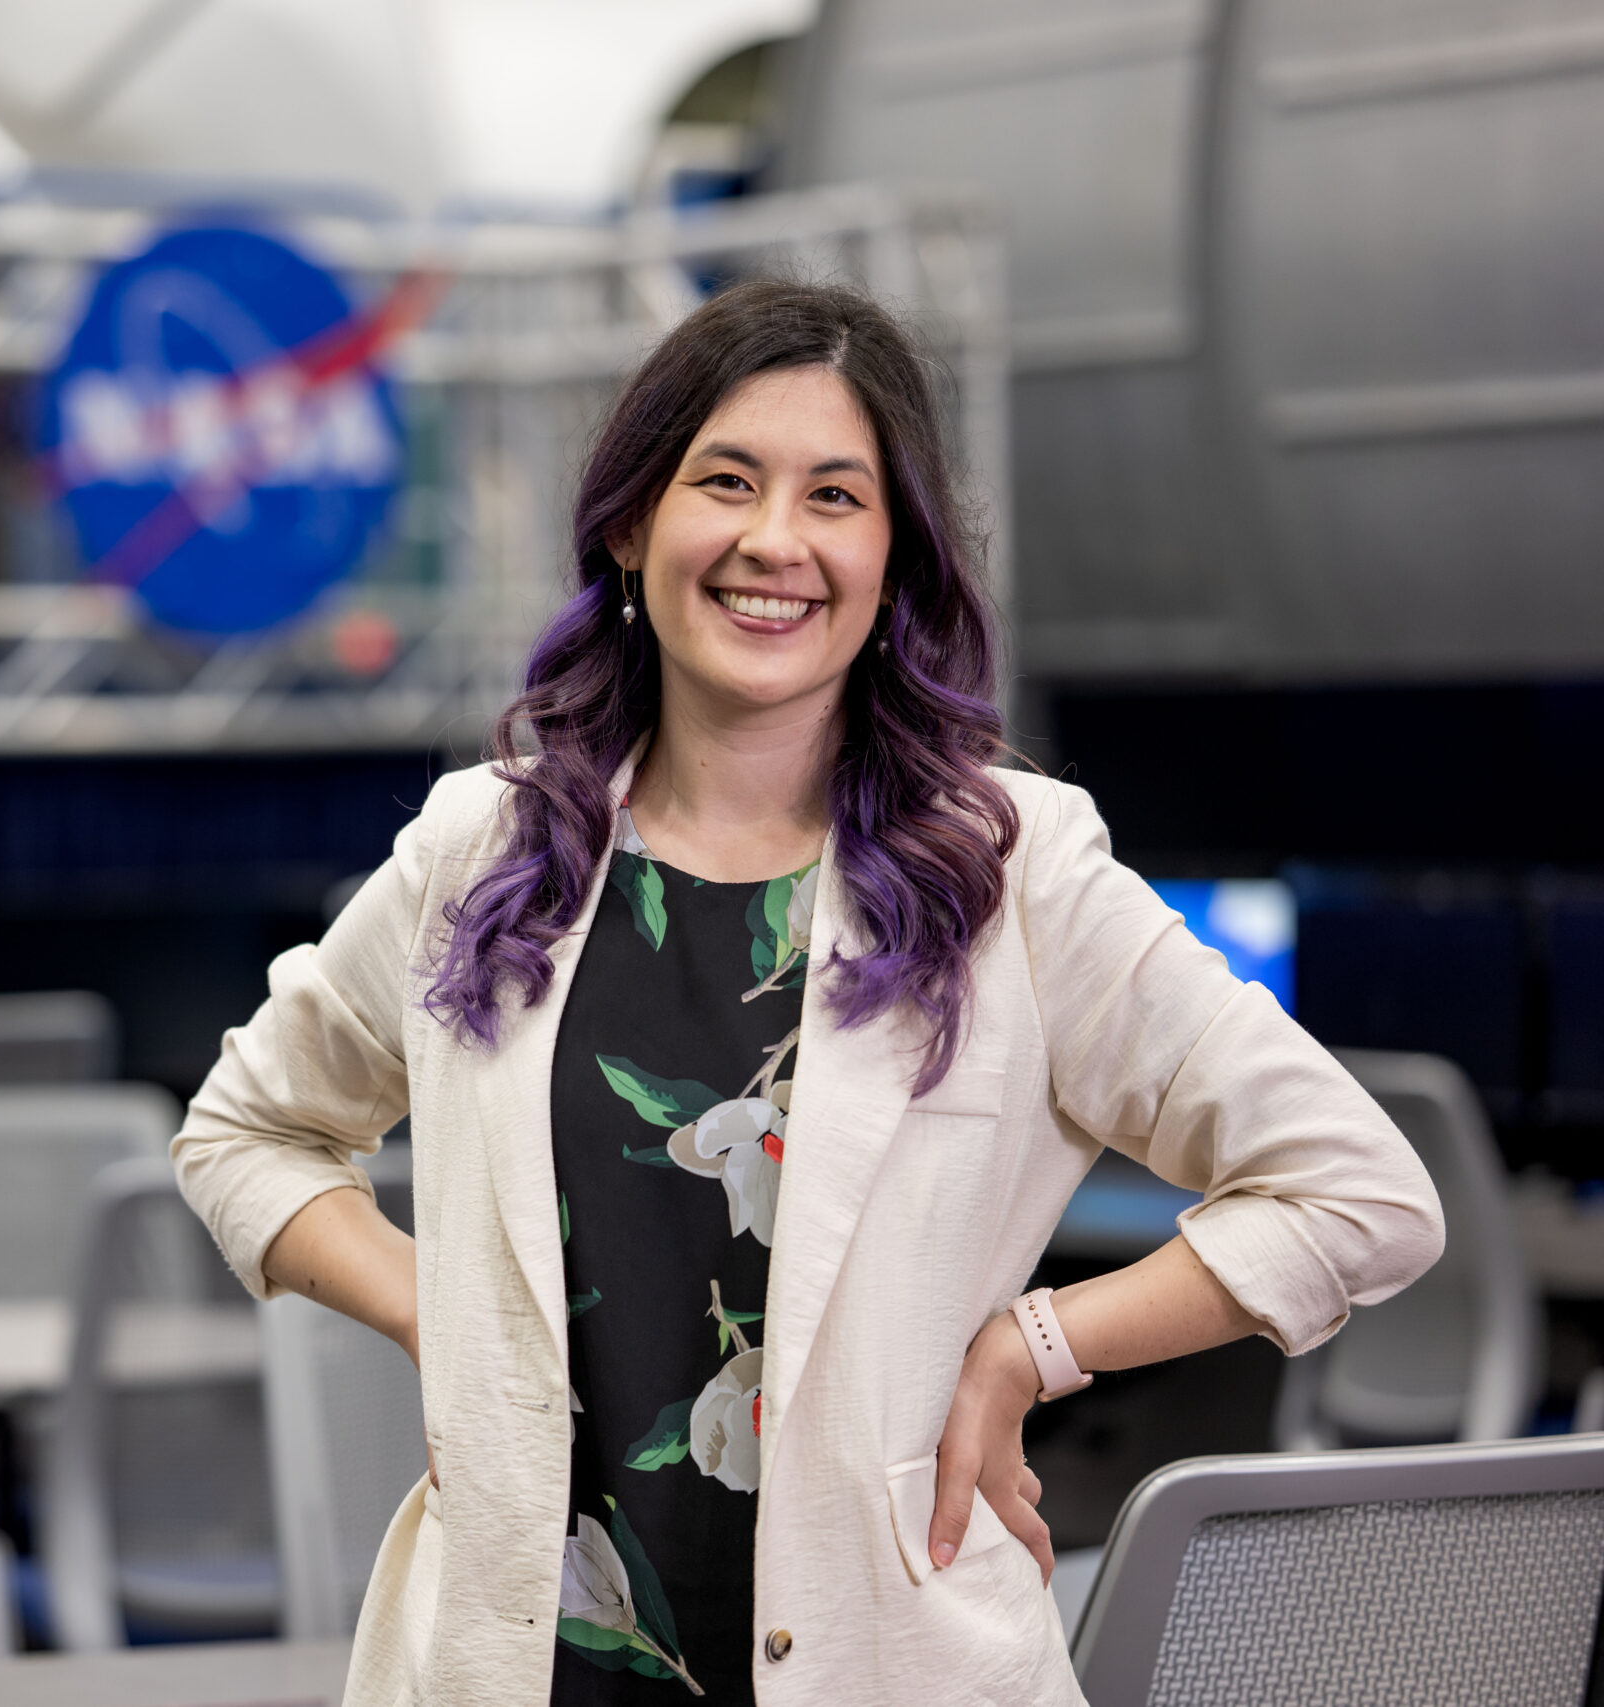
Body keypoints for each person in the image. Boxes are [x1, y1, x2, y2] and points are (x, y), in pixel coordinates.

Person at [172, 278, 1442, 1704]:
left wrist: (1030, 1351)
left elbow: (1360, 1196)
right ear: (630, 520)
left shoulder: (1014, 874)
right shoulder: (484, 850)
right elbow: (242, 1133)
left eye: (836, 497)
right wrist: (439, 1312)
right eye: (726, 481)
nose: (775, 541)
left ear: (894, 559)